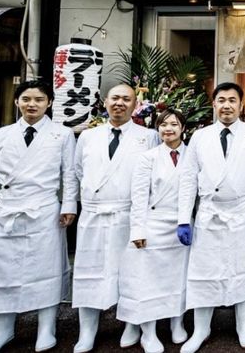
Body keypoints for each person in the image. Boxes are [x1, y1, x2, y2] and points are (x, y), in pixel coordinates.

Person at [0, 80, 77, 353]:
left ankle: (46, 329)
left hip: (44, 210)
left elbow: (70, 173)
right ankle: (1, 332)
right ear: (17, 102)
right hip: (6, 210)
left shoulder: (62, 134)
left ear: (49, 103)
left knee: (46, 270)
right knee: (0, 272)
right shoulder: (0, 135)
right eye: (26, 99)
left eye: (39, 99)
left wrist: (69, 205)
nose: (32, 104)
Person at [176, 82, 245, 353]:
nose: (227, 105)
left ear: (241, 105)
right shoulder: (200, 136)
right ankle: (201, 329)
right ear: (214, 104)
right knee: (204, 271)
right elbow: (188, 180)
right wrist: (184, 219)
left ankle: (244, 325)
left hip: (240, 212)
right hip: (208, 213)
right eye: (221, 100)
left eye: (232, 100)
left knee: (242, 269)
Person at [72, 84, 160, 353]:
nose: (120, 103)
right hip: (94, 214)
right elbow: (78, 172)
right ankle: (87, 331)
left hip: (129, 214)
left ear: (135, 104)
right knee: (89, 273)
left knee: (133, 273)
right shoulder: (88, 137)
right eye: (115, 98)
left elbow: (154, 177)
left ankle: (133, 325)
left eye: (126, 99)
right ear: (105, 101)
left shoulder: (149, 136)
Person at [117, 108, 191, 353]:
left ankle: (177, 323)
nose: (168, 129)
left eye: (174, 124)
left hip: (181, 226)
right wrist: (137, 229)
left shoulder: (192, 155)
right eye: (163, 124)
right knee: (146, 281)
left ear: (183, 128)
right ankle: (148, 333)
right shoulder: (148, 157)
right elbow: (138, 197)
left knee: (178, 278)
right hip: (153, 224)